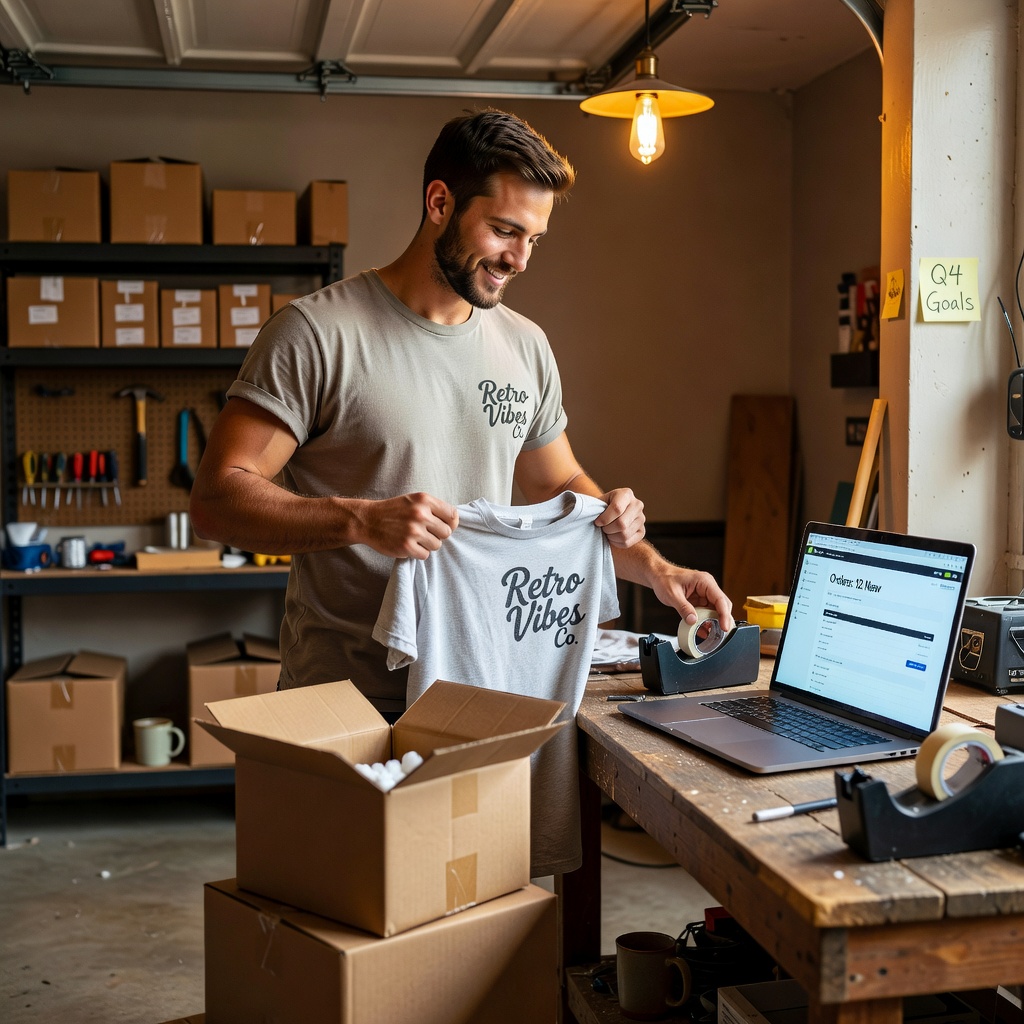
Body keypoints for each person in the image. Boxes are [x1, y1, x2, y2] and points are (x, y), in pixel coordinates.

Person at [190, 108, 733, 718]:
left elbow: (556, 487)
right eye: (504, 231)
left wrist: (655, 568)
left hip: (476, 690)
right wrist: (361, 521)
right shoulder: (316, 333)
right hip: (343, 702)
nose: (520, 259)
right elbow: (216, 500)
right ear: (440, 202)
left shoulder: (525, 345)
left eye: (534, 239)